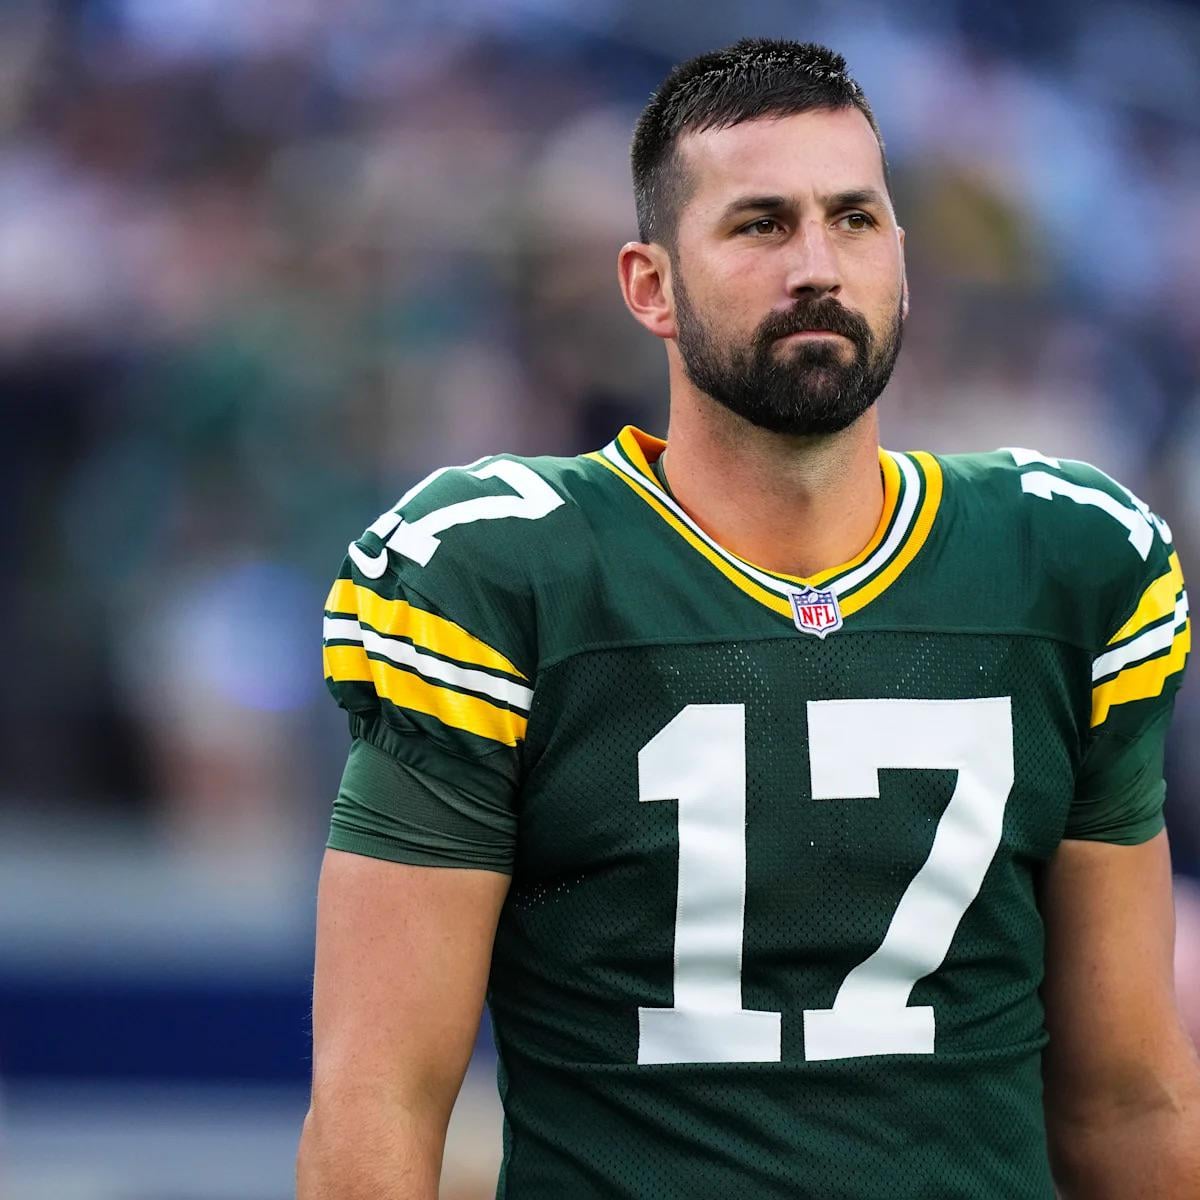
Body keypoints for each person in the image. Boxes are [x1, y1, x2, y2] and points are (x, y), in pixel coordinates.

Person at [296, 38, 1200, 1199]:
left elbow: (1129, 1099)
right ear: (650, 286)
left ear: (902, 261)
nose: (817, 266)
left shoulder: (1063, 560)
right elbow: (378, 1101)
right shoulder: (503, 574)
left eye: (854, 220)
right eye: (761, 225)